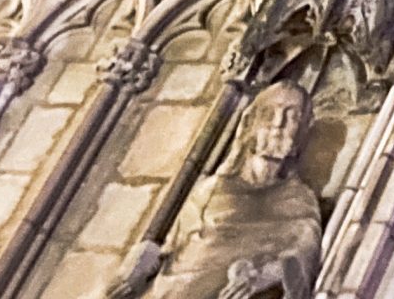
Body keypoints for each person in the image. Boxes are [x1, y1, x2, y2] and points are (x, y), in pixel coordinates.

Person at [110, 81, 323, 299]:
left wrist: (261, 276)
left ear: (302, 130)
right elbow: (171, 249)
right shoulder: (210, 189)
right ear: (250, 123)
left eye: (293, 117)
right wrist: (145, 254)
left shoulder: (299, 201)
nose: (278, 124)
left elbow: (300, 261)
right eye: (269, 113)